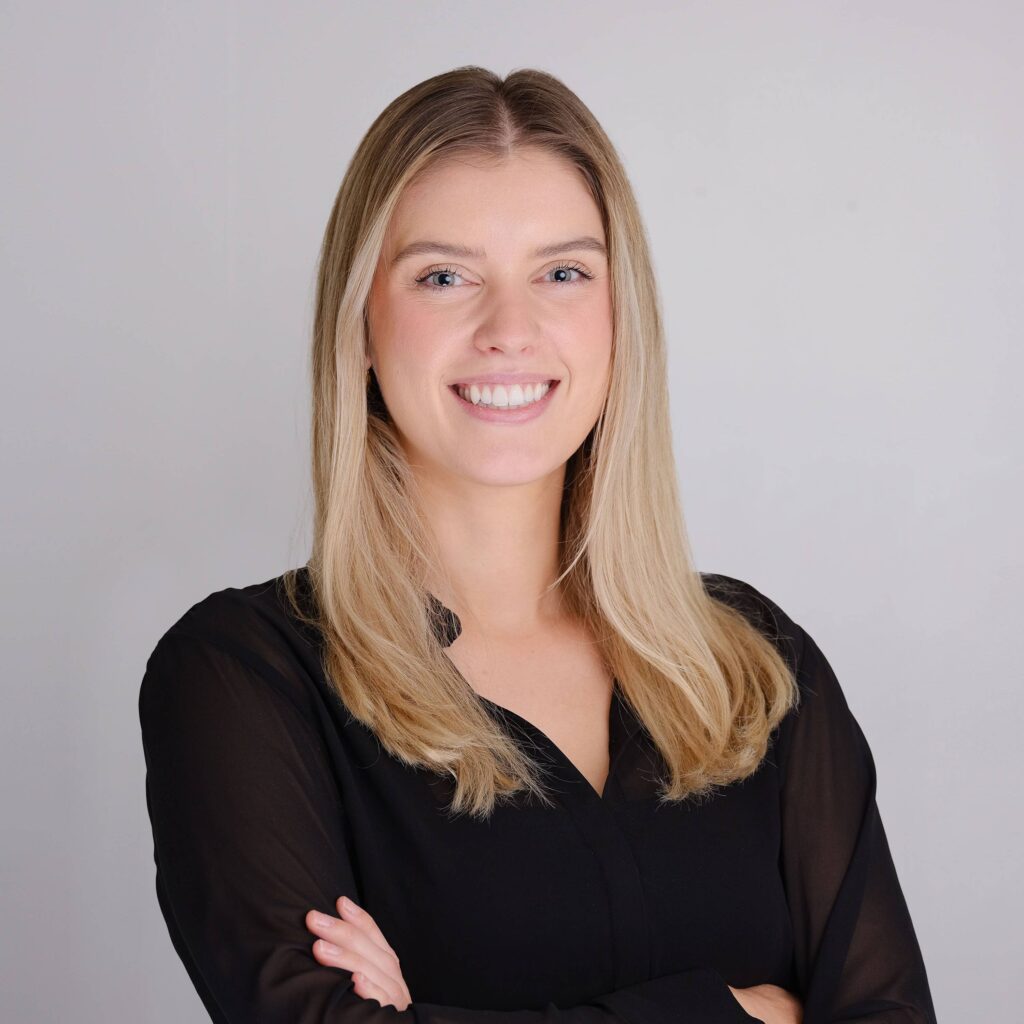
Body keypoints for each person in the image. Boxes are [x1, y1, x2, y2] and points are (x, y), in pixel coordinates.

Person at [138, 66, 937, 1024]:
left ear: (618, 316)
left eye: (563, 273)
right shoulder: (242, 679)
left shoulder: (753, 666)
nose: (509, 330)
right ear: (359, 323)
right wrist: (739, 1015)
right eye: (444, 276)